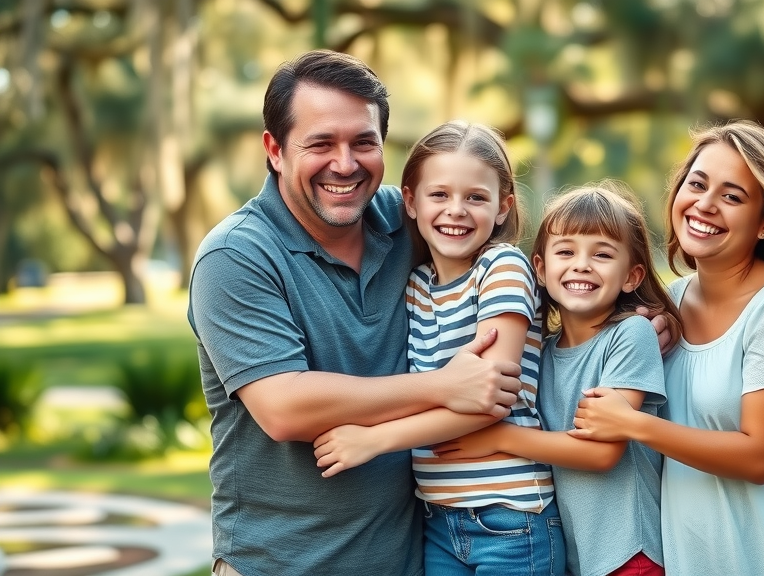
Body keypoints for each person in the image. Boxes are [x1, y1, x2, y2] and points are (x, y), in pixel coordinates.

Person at [187, 51, 527, 576]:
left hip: (409, 558)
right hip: (279, 565)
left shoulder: (410, 218)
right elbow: (285, 409)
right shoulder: (236, 255)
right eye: (320, 143)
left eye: (363, 142)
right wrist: (442, 386)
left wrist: (630, 315)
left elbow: (535, 267)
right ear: (274, 150)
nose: (345, 165)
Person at [570, 120, 764, 576]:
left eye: (732, 196)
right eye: (697, 184)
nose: (704, 205)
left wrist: (632, 424)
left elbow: (759, 456)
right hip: (696, 558)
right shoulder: (672, 303)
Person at [312, 120, 566, 575]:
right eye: (439, 195)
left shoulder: (501, 267)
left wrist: (373, 439)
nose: (457, 210)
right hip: (439, 520)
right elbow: (434, 388)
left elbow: (492, 398)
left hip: (511, 518)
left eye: (476, 197)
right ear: (409, 201)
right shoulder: (417, 286)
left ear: (504, 207)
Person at [433, 182, 683, 576]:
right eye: (565, 251)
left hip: (629, 552)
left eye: (602, 254)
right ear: (541, 268)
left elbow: (601, 453)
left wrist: (498, 439)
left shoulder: (631, 335)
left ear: (632, 276)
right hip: (575, 552)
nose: (582, 264)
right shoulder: (542, 353)